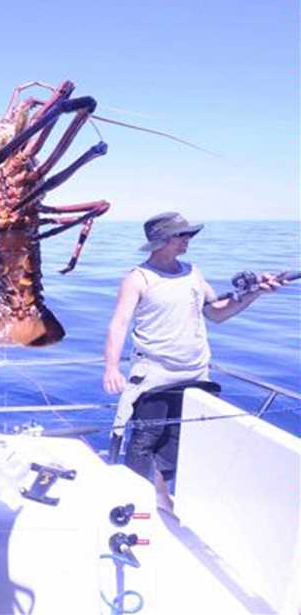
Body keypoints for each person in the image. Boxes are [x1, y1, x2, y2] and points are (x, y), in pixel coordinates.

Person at [103, 211, 282, 511]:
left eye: (188, 235)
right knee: (145, 439)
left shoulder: (193, 272)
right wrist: (111, 368)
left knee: (175, 441)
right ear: (161, 241)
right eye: (181, 235)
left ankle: (161, 497)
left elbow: (216, 312)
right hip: (154, 375)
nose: (187, 240)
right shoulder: (138, 278)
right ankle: (132, 500)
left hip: (195, 373)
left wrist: (254, 295)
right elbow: (118, 324)